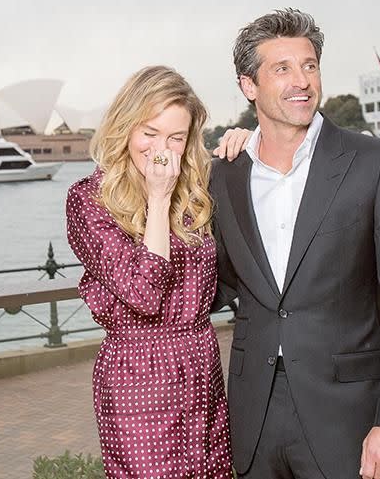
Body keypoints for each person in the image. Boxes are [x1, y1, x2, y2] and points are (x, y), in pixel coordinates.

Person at [210, 9, 380, 479]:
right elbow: (220, 283)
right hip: (252, 420)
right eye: (282, 68)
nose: (302, 81)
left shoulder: (376, 162)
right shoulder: (225, 175)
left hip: (348, 417)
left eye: (309, 65)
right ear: (248, 86)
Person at [66, 65, 250, 478]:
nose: (161, 150)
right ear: (124, 127)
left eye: (176, 137)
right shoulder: (89, 200)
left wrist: (251, 145)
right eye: (149, 133)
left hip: (200, 363)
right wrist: (158, 198)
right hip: (138, 374)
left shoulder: (196, 188)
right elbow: (143, 292)